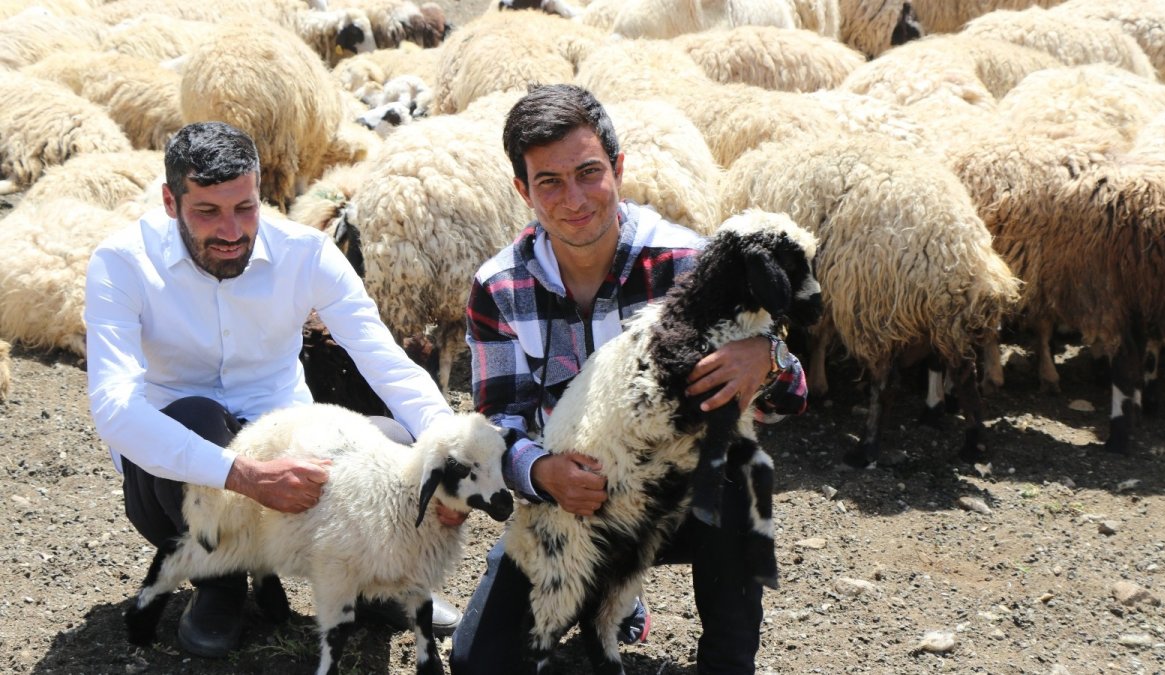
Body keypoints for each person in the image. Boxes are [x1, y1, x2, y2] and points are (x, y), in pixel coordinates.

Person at [449, 84, 809, 674]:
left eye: (589, 172)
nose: (574, 199)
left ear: (618, 167)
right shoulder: (499, 287)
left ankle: (726, 663)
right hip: (571, 506)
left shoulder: (688, 263)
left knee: (740, 475)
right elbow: (498, 422)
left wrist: (765, 356)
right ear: (523, 191)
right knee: (476, 663)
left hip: (680, 502)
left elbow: (790, 397)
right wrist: (540, 472)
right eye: (550, 182)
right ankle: (602, 593)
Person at [85, 121, 464, 660]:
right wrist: (245, 476)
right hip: (176, 479)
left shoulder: (305, 253)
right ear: (171, 202)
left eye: (245, 208)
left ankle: (375, 580)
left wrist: (447, 457)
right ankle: (221, 585)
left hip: (292, 450)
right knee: (192, 414)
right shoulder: (122, 263)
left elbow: (387, 363)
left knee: (392, 437)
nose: (233, 231)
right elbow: (115, 407)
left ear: (263, 192)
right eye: (208, 212)